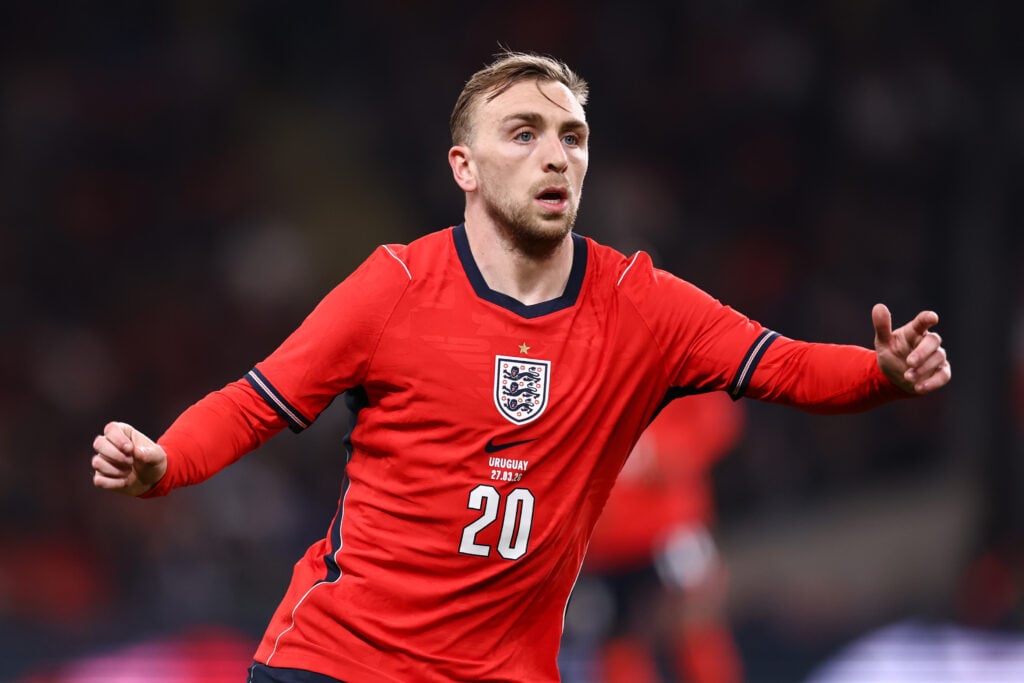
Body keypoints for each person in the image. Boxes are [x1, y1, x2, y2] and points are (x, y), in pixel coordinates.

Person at [90, 50, 952, 683]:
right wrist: (165, 465)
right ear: (464, 167)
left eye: (572, 137)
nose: (556, 155)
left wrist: (882, 374)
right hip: (341, 661)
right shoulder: (392, 286)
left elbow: (787, 367)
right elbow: (255, 403)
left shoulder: (642, 302)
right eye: (525, 132)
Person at [565, 393, 746, 683]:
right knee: (616, 643)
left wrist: (658, 453)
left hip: (670, 530)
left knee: (695, 633)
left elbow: (719, 421)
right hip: (600, 544)